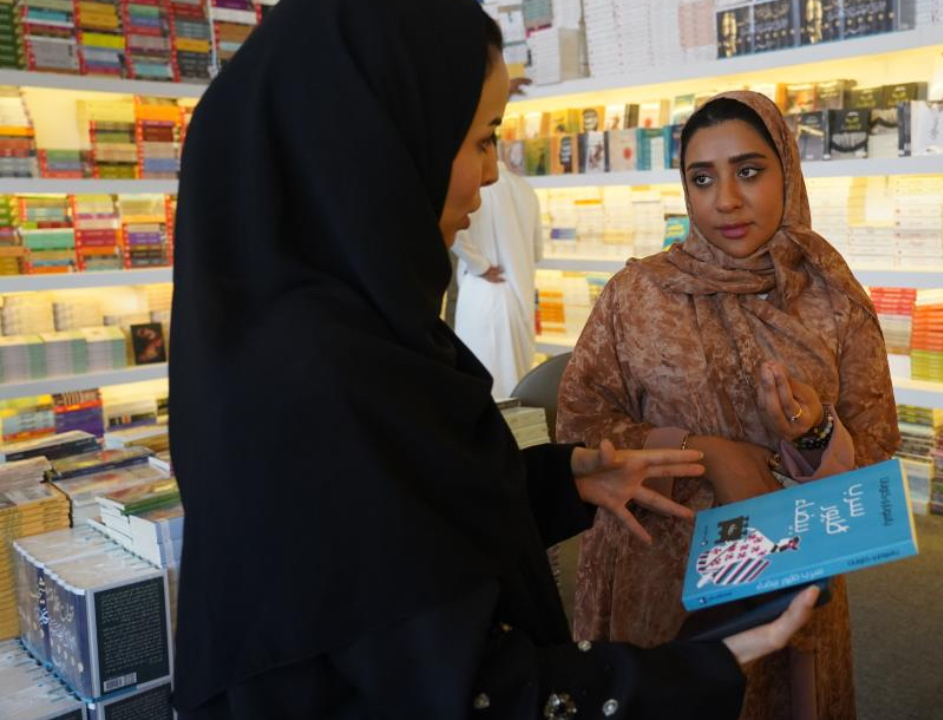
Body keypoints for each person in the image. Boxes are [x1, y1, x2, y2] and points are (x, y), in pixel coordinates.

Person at [169, 2, 819, 718]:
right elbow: (456, 688)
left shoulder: (348, 335)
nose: (489, 175)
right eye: (480, 139)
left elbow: (408, 529)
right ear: (374, 148)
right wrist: (705, 665)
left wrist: (560, 480)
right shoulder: (322, 385)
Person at [557, 92, 901, 720]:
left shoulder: (831, 297)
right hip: (664, 572)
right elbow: (579, 424)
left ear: (787, 172)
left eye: (748, 171)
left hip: (791, 570)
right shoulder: (638, 294)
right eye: (702, 178)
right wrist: (703, 452)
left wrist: (814, 429)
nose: (726, 201)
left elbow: (876, 448)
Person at [451, 163, 541, 399]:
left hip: (480, 294)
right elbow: (537, 251)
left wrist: (478, 264)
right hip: (519, 296)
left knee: (484, 389)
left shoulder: (469, 188)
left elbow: (454, 234)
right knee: (519, 389)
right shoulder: (524, 188)